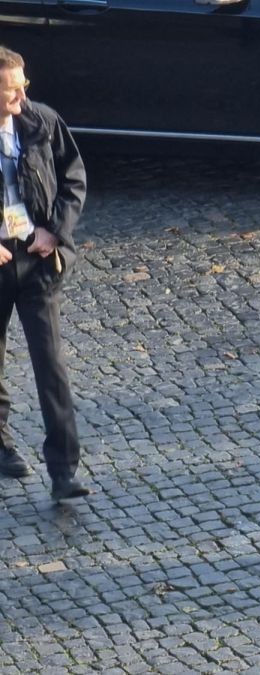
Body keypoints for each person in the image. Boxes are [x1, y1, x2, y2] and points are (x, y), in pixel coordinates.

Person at [0, 46, 89, 501]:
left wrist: (54, 232)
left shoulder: (42, 122)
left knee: (51, 366)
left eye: (23, 86)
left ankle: (63, 470)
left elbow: (73, 180)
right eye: (10, 90)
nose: (21, 97)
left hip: (37, 260)